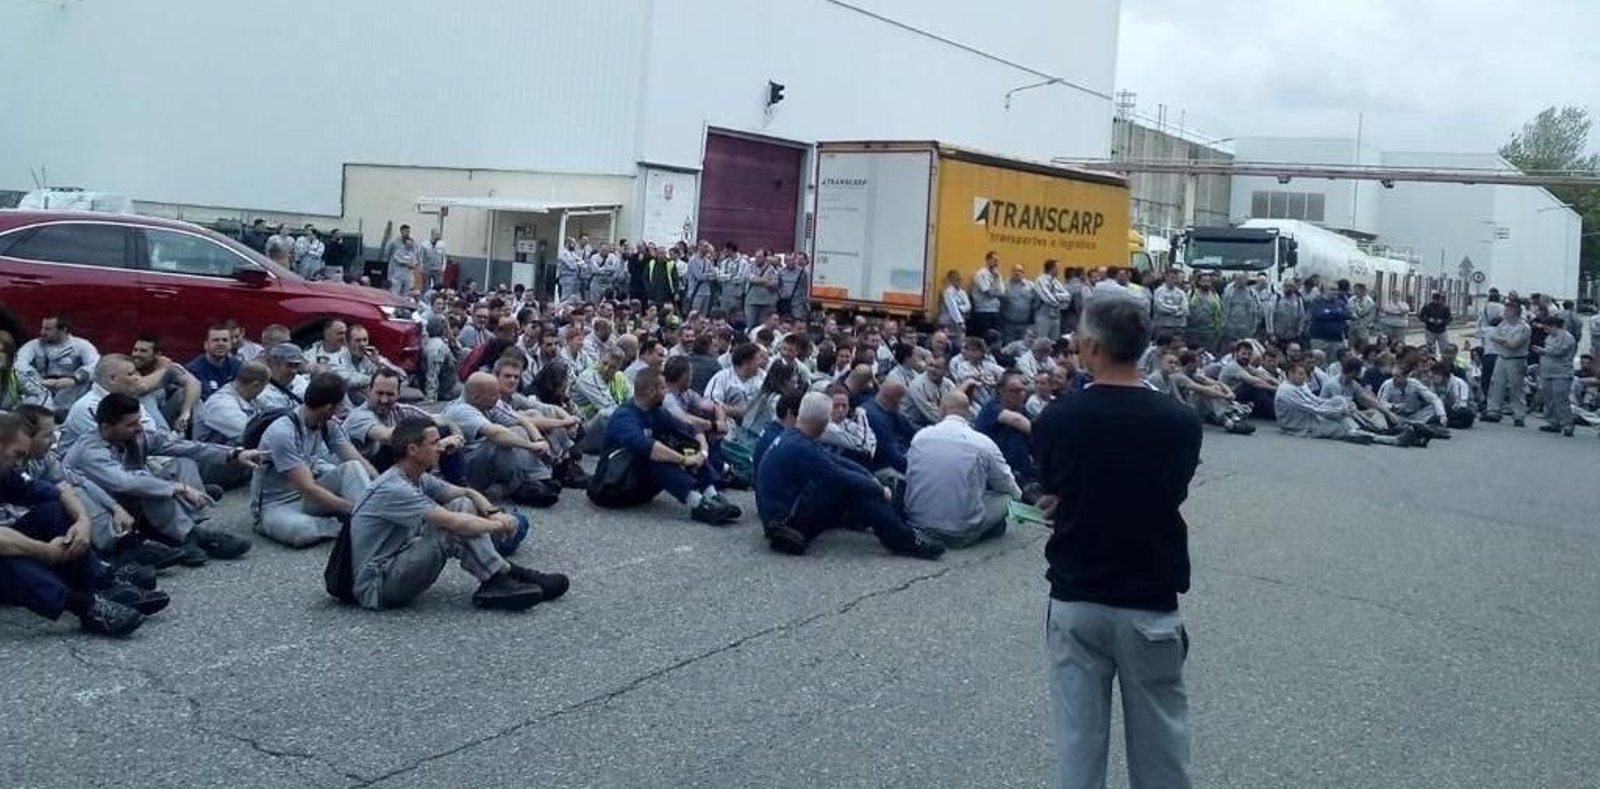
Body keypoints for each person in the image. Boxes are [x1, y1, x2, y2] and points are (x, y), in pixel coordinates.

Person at [1032, 297, 1201, 789]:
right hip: (1149, 597)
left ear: (1092, 346)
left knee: (1079, 747)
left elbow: (1055, 487)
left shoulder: (1057, 419)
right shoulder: (1180, 422)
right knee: (1163, 748)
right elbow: (1172, 490)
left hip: (1076, 595)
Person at [349, 418, 567, 612]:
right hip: (377, 585)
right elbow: (453, 523)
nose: (441, 447)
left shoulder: (415, 476)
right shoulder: (394, 487)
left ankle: (501, 575)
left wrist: (491, 512)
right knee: (450, 529)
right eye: (434, 443)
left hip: (397, 561)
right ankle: (501, 576)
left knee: (460, 503)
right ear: (413, 449)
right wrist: (499, 525)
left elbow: (463, 492)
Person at [0, 412, 159, 636]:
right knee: (5, 558)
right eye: (17, 454)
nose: (19, 463)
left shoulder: (5, 472)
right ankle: (84, 607)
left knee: (52, 513)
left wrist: (82, 524)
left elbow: (62, 492)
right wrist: (46, 552)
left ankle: (105, 585)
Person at [65, 392, 259, 564]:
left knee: (178, 465)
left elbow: (186, 446)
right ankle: (189, 538)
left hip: (131, 504)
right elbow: (124, 482)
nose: (139, 428)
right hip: (101, 510)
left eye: (139, 421)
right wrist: (178, 488)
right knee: (148, 484)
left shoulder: (135, 436)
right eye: (131, 424)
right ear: (106, 428)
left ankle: (188, 535)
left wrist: (234, 454)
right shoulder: (90, 450)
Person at [756, 391, 943, 559]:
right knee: (854, 489)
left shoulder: (794, 436)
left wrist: (870, 478)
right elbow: (838, 475)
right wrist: (877, 489)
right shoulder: (801, 447)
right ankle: (904, 540)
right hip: (786, 523)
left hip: (778, 514)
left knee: (855, 482)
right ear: (824, 421)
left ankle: (896, 530)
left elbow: (837, 462)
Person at [597, 368, 741, 525]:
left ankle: (712, 496)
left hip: (638, 488)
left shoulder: (656, 412)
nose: (666, 393)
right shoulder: (624, 416)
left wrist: (702, 453)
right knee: (655, 455)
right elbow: (646, 447)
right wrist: (684, 460)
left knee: (687, 444)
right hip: (612, 488)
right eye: (663, 388)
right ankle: (699, 504)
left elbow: (690, 429)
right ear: (651, 391)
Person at [251, 373, 376, 548]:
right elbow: (308, 489)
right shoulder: (282, 432)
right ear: (328, 407)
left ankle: (369, 520)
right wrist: (355, 508)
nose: (343, 408)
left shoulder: (328, 423)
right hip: (277, 505)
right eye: (340, 404)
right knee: (301, 531)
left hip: (308, 497)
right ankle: (358, 522)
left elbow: (356, 458)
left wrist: (385, 487)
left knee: (353, 467)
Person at [902, 389, 1021, 548]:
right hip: (959, 533)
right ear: (968, 412)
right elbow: (1007, 485)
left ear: (942, 409)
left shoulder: (920, 437)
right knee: (1006, 498)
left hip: (917, 524)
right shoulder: (983, 443)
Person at [442, 373, 562, 506]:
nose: (498, 397)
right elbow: (495, 434)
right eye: (494, 394)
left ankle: (538, 478)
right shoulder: (461, 411)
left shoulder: (486, 403)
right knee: (497, 443)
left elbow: (520, 420)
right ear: (476, 397)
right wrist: (530, 446)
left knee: (517, 430)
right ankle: (520, 488)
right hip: (464, 471)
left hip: (483, 461)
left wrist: (538, 440)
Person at [194, 361, 270, 488]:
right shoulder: (221, 404)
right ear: (256, 385)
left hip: (230, 464)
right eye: (264, 386)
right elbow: (250, 434)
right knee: (259, 438)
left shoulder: (250, 398)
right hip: (207, 469)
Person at [973, 370, 1039, 500]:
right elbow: (1016, 420)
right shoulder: (992, 408)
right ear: (1001, 391)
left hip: (1025, 475)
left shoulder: (1021, 409)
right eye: (1014, 391)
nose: (1020, 395)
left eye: (1022, 390)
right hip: (998, 480)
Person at [16, 314, 101, 412]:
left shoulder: (82, 346)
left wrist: (75, 379)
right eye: (42, 328)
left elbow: (95, 365)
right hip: (41, 389)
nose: (42, 332)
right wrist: (37, 381)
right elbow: (19, 364)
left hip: (71, 392)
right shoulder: (33, 346)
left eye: (48, 329)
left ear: (63, 330)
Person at [129, 334, 201, 434]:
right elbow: (141, 387)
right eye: (135, 350)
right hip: (138, 422)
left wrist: (185, 413)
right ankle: (163, 436)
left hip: (164, 416)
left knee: (189, 394)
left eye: (143, 351)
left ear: (157, 355)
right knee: (146, 396)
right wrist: (162, 369)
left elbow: (194, 383)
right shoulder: (129, 368)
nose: (137, 354)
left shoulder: (168, 367)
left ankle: (199, 438)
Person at [1483, 300, 1530, 426]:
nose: (1505, 312)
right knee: (1496, 385)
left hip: (1516, 360)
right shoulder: (1503, 324)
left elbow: (1514, 345)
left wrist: (1501, 340)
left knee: (1516, 388)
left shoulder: (1524, 327)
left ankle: (1519, 415)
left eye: (1508, 309)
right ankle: (1493, 411)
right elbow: (1494, 337)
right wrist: (1505, 341)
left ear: (1515, 311)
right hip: (1502, 357)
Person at [1533, 314, 1576, 436]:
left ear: (1554, 326)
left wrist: (1542, 351)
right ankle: (1553, 422)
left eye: (1547, 328)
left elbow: (1558, 351)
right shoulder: (1549, 338)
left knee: (1560, 398)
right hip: (1548, 371)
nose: (1546, 330)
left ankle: (1567, 423)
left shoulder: (1567, 338)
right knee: (1549, 397)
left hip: (1562, 372)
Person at [859, 379, 914, 475]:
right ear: (894, 400)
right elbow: (893, 457)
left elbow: (911, 432)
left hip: (900, 453)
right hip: (879, 467)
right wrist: (921, 466)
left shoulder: (890, 410)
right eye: (902, 399)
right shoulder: (874, 418)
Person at [1217, 342, 1278, 420]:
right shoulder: (1233, 366)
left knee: (1265, 386)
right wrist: (1276, 389)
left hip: (1236, 396)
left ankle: (1279, 409)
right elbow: (1254, 382)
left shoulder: (1245, 365)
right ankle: (1275, 413)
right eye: (1243, 353)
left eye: (1249, 354)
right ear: (1236, 353)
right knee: (1253, 387)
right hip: (1227, 398)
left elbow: (1260, 374)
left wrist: (1279, 384)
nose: (1246, 356)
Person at [185, 323, 242, 401]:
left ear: (230, 344)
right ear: (206, 345)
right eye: (215, 340)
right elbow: (208, 399)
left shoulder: (237, 366)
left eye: (225, 340)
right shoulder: (194, 369)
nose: (221, 344)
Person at [0, 330, 50, 411]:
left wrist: (24, 414)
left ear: (9, 356)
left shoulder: (17, 374)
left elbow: (43, 394)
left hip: (10, 418)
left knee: (32, 400)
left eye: (1, 351)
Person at [1306, 280, 1352, 358]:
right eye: (1332, 289)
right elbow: (1319, 315)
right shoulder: (1316, 302)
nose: (1336, 292)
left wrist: (1329, 312)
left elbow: (1348, 315)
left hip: (1337, 341)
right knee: (1318, 364)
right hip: (1320, 340)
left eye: (1337, 289)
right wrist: (1337, 313)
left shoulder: (1341, 303)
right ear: (1325, 290)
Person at [969, 252, 1004, 339]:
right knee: (983, 338)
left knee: (995, 339)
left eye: (998, 261)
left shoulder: (997, 275)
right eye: (995, 260)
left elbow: (1002, 293)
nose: (997, 263)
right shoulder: (981, 274)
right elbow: (988, 292)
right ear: (988, 260)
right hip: (983, 312)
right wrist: (996, 292)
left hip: (995, 311)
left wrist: (996, 282)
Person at [1000, 264, 1035, 344]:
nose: (1017, 273)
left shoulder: (1031, 286)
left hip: (1025, 325)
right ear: (1012, 272)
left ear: (1023, 273)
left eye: (1020, 271)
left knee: (1023, 348)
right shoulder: (1004, 285)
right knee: (1009, 347)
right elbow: (1000, 302)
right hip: (1008, 324)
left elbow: (1035, 303)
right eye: (1015, 270)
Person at [384, 225, 422, 297]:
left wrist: (414, 264)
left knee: (406, 294)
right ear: (401, 231)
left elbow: (416, 259)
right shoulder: (394, 243)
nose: (408, 233)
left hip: (407, 274)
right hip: (396, 273)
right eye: (407, 231)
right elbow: (388, 254)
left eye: (409, 232)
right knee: (395, 292)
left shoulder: (412, 244)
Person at [1418, 292, 1452, 356]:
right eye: (1435, 300)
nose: (1437, 301)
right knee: (1430, 347)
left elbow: (1449, 318)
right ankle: (1431, 359)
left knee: (1444, 347)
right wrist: (1428, 320)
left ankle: (1444, 359)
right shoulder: (1427, 306)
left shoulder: (1445, 307)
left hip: (1442, 330)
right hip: (1430, 329)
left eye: (1438, 300)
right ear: (1433, 299)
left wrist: (1442, 321)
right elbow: (1421, 316)